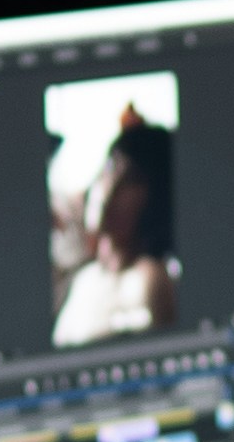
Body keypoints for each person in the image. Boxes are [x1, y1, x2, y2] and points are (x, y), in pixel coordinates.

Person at [51, 111, 179, 344]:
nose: (110, 187)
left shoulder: (152, 279)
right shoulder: (83, 278)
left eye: (131, 179)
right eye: (111, 167)